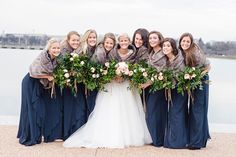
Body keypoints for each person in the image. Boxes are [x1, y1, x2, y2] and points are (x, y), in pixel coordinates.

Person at [63, 33, 152, 148]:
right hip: (113, 84)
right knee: (111, 108)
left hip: (126, 84)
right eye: (122, 40)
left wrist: (126, 74)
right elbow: (106, 66)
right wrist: (114, 75)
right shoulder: (112, 52)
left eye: (126, 41)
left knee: (128, 109)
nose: (124, 43)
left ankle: (128, 135)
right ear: (118, 42)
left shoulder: (133, 54)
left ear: (129, 42)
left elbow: (135, 68)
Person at [17, 38, 61, 145]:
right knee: (32, 109)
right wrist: (48, 76)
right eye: (54, 48)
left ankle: (37, 135)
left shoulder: (55, 59)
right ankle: (29, 136)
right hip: (31, 83)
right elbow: (32, 71)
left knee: (40, 110)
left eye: (58, 48)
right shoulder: (43, 57)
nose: (56, 50)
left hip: (40, 85)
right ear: (49, 48)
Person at [179, 32, 211, 149]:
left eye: (188, 41)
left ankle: (197, 143)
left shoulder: (196, 53)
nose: (185, 43)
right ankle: (192, 138)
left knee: (197, 110)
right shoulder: (181, 53)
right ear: (180, 42)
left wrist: (196, 77)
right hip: (190, 82)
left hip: (200, 82)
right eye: (183, 41)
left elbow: (208, 67)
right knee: (191, 109)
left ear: (191, 42)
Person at [141, 31, 167, 147]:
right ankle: (155, 138)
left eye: (154, 38)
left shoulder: (163, 53)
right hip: (151, 87)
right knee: (152, 112)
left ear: (160, 39)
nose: (152, 40)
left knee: (154, 112)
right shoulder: (151, 52)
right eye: (150, 38)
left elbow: (163, 72)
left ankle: (158, 140)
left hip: (159, 87)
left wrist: (148, 83)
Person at [60, 31, 87, 140]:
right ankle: (67, 133)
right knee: (68, 109)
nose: (75, 42)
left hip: (79, 84)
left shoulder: (81, 51)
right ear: (68, 40)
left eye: (77, 40)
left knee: (80, 108)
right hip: (68, 85)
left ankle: (79, 131)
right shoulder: (63, 51)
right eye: (73, 40)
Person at [161, 38, 188, 148]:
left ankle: (178, 142)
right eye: (164, 46)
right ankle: (172, 139)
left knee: (176, 114)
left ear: (173, 47)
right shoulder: (165, 60)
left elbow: (181, 76)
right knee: (172, 114)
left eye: (168, 46)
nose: (165, 48)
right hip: (171, 90)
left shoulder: (179, 59)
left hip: (181, 89)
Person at [80, 29, 98, 116]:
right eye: (90, 37)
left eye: (94, 37)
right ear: (86, 39)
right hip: (82, 85)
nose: (92, 39)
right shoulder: (82, 50)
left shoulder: (97, 50)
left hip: (94, 84)